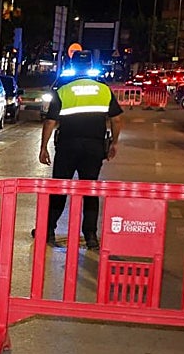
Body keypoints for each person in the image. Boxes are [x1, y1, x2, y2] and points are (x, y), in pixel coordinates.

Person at [38, 74, 124, 250]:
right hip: (94, 147)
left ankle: (48, 230)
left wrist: (43, 147)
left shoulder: (64, 90)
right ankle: (91, 236)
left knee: (60, 188)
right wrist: (114, 143)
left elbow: (50, 122)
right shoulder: (103, 90)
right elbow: (116, 119)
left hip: (67, 147)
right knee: (90, 189)